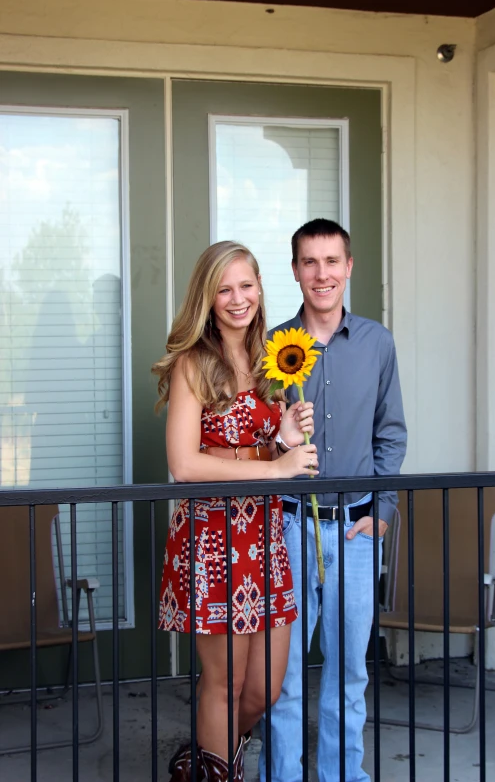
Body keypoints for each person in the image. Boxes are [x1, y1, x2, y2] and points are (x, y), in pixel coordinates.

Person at [152, 240, 319, 782]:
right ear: (207, 296)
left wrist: (283, 438)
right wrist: (274, 469)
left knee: (263, 687)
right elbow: (183, 464)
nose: (237, 298)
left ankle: (208, 762)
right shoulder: (194, 363)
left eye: (246, 285)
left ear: (259, 290)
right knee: (223, 684)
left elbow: (259, 448)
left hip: (265, 540)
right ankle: (216, 769)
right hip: (213, 540)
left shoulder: (270, 360)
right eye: (224, 288)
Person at [259, 218, 407, 782]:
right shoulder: (273, 344)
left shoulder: (377, 343)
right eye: (309, 262)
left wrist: (384, 512)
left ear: (349, 267)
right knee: (286, 672)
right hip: (291, 529)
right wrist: (280, 435)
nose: (321, 274)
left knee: (349, 672)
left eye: (332, 261)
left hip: (355, 531)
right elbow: (255, 437)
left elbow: (391, 433)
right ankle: (284, 776)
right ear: (295, 271)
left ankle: (344, 776)